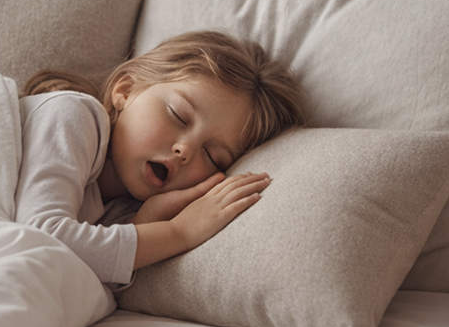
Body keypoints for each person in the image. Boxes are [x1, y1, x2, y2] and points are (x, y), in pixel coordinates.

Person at [15, 30, 306, 286]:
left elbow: (82, 280)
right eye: (178, 115)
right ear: (125, 91)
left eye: (212, 156)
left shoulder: (117, 211)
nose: (186, 150)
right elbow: (40, 242)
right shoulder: (72, 114)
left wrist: (144, 223)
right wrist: (179, 232)